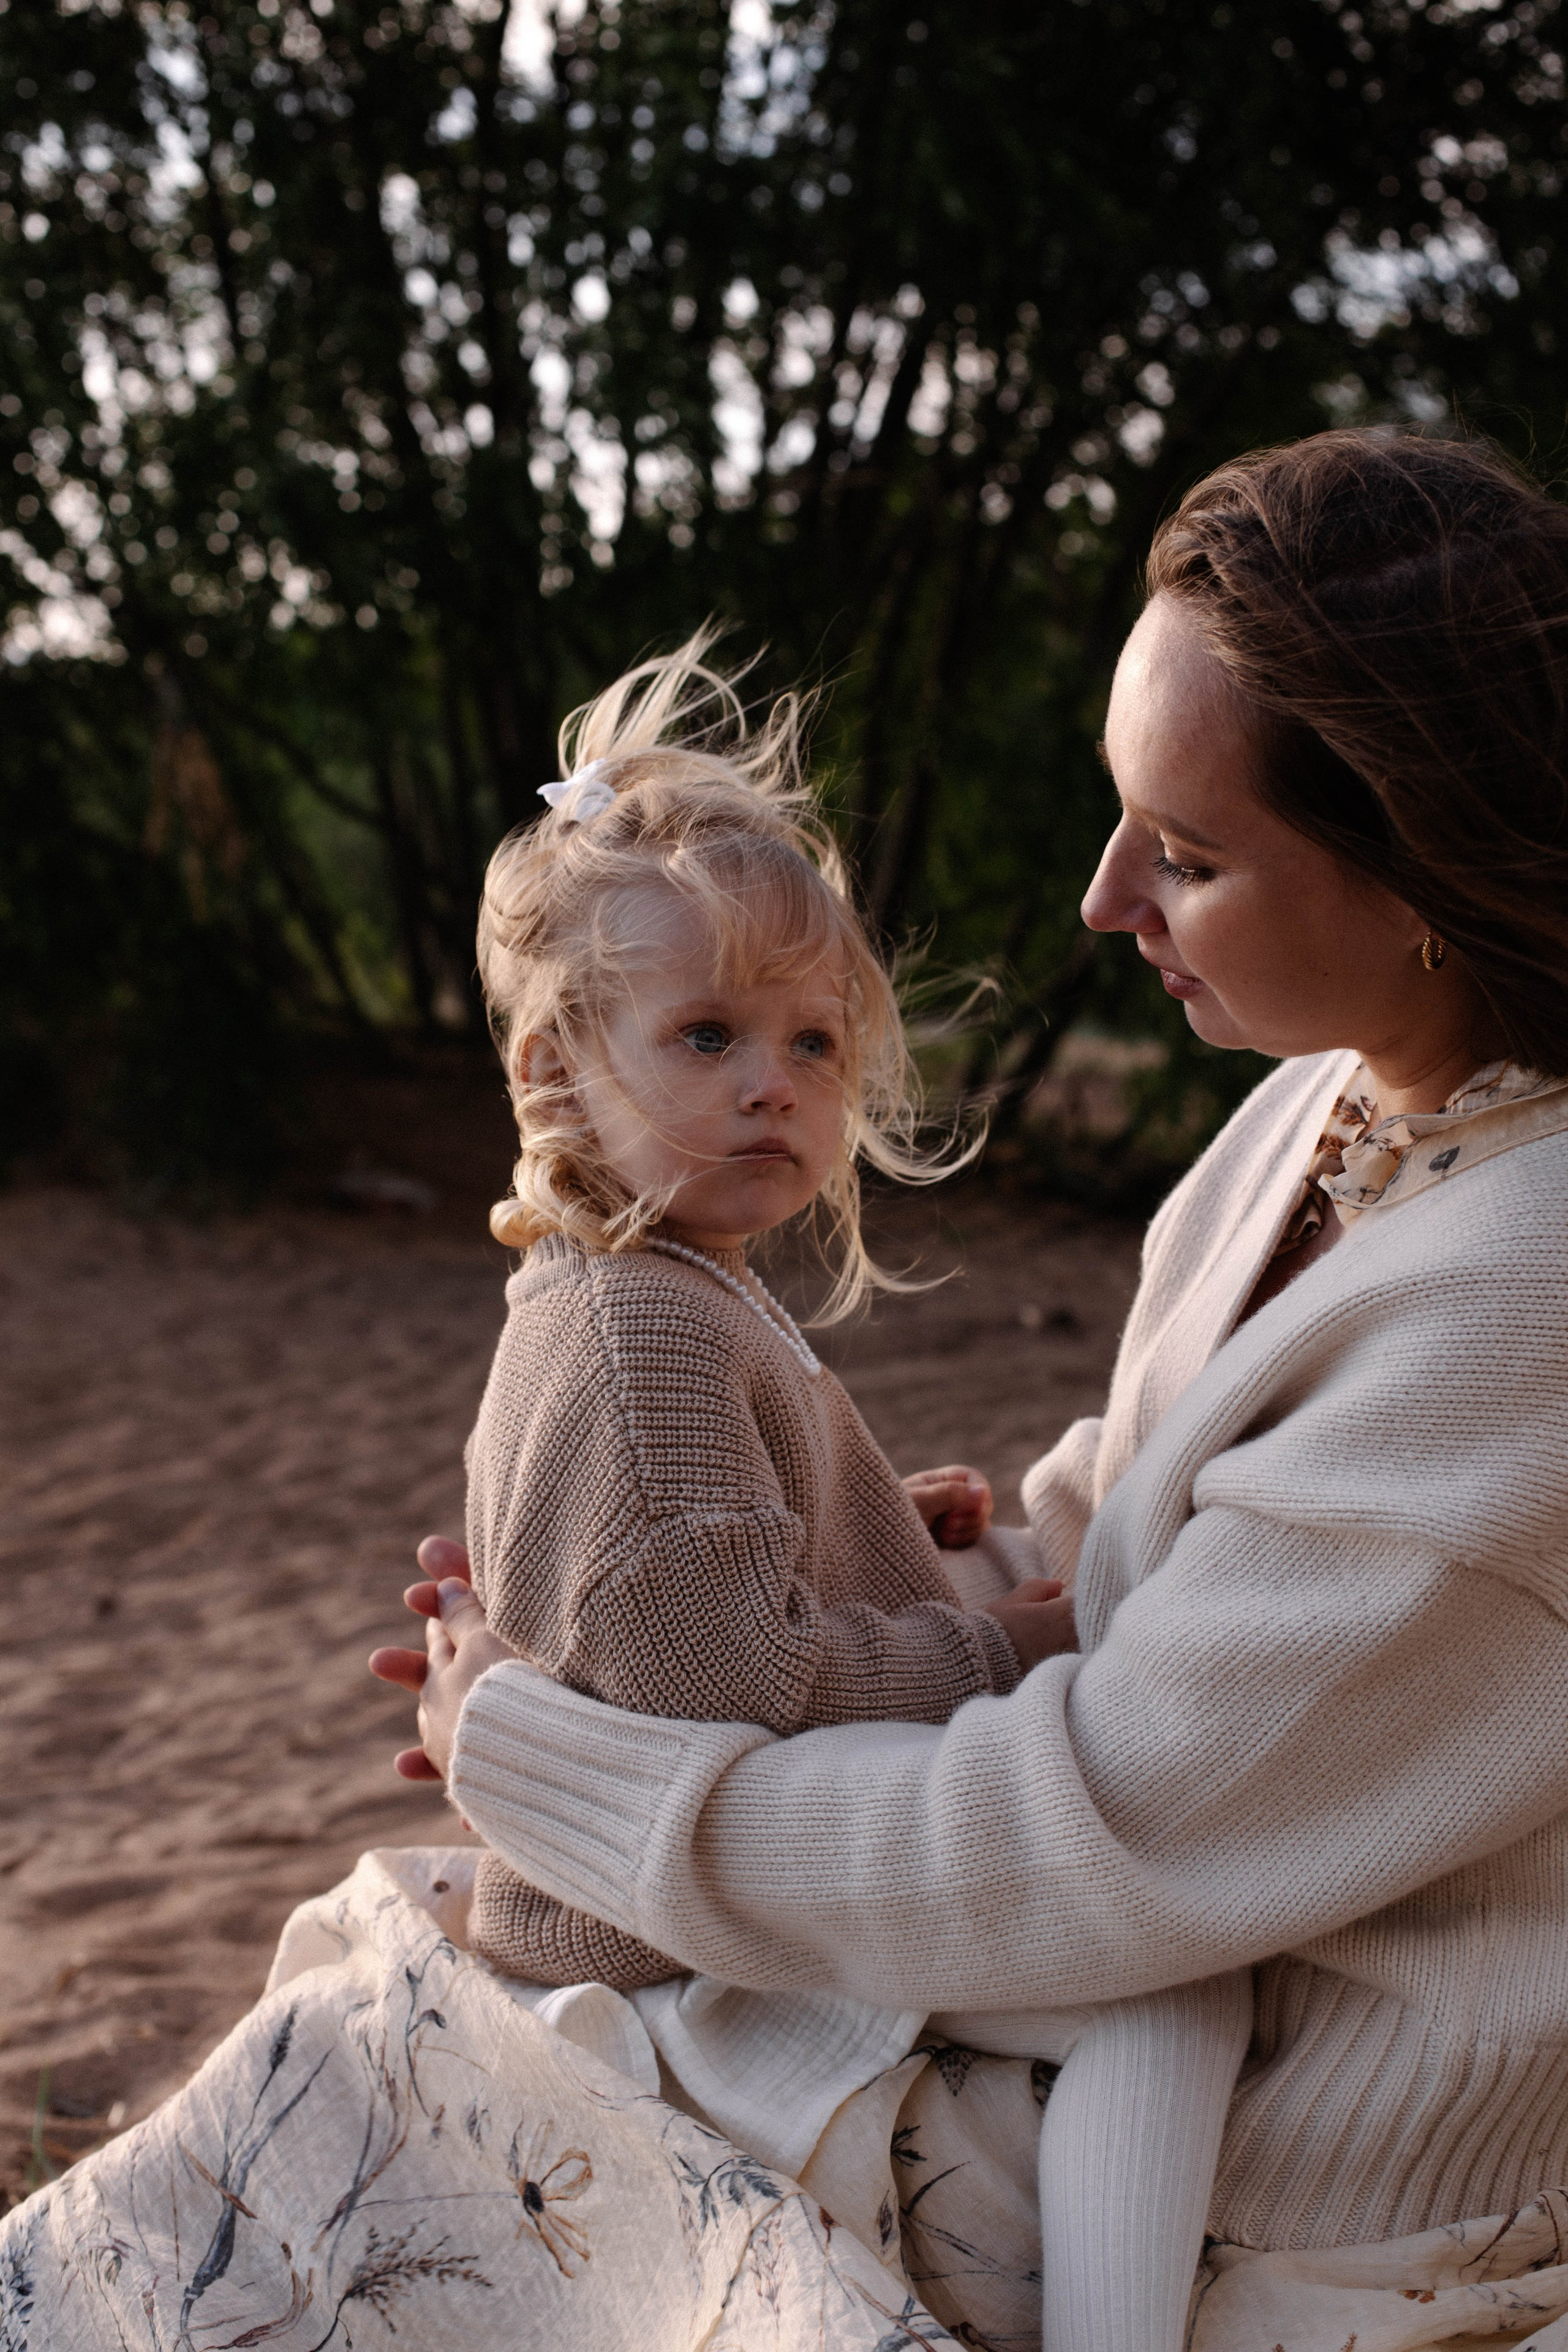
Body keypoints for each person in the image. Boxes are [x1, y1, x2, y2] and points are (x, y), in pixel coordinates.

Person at [388, 430, 1568, 2349]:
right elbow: (1153, 1545)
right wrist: (975, 1556)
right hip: (1111, 1985)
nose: (1108, 898)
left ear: (1427, 865)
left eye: (1185, 857)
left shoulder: (1536, 1306)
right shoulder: (1333, 1103)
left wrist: (542, 1764)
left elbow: (1080, 1844)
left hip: (1292, 2177)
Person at [421, 633, 1250, 2352]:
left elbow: (724, 1581)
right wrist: (1000, 1649)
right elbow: (720, 1690)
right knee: (1171, 1995)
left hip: (680, 1888)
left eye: (811, 1040)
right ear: (555, 1073)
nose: (772, 1086)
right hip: (671, 1946)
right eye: (708, 1033)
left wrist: (887, 1526)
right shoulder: (639, 1331)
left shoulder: (668, 1287)